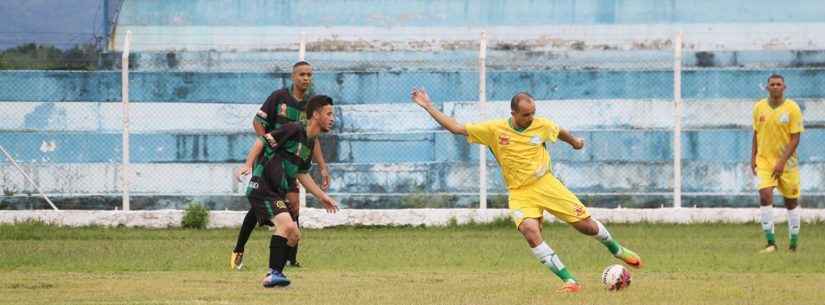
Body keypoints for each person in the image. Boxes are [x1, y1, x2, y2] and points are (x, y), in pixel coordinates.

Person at [411, 88, 642, 293]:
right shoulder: (494, 129)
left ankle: (616, 248)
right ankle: (570, 281)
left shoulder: (541, 125)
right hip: (520, 192)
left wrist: (575, 142)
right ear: (513, 114)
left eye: (533, 113)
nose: (531, 118)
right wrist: (428, 106)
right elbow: (456, 128)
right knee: (530, 231)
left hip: (547, 184)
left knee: (586, 226)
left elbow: (559, 131)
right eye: (526, 115)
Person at [231, 61, 331, 270]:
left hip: (292, 165)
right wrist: (267, 148)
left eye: (309, 75)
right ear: (293, 77)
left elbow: (312, 139)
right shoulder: (279, 97)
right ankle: (239, 248)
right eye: (302, 74)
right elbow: (258, 122)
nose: (306, 78)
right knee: (260, 209)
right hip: (271, 163)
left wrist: (322, 166)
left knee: (293, 205)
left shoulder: (312, 107)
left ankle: (288, 259)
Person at [242, 94, 338, 287]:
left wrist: (322, 197)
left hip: (275, 191)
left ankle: (276, 275)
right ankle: (272, 274)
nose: (332, 118)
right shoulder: (294, 129)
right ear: (316, 115)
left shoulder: (310, 142)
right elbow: (263, 140)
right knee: (286, 226)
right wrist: (248, 164)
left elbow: (302, 174)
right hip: (262, 185)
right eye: (328, 114)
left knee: (294, 235)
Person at [751, 74, 804, 253]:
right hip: (764, 160)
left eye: (778, 84)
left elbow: (795, 138)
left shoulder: (792, 108)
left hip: (787, 163)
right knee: (765, 195)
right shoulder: (759, 107)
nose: (775, 87)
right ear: (767, 88)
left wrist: (782, 161)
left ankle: (793, 244)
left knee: (791, 202)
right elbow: (756, 134)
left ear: (784, 87)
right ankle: (771, 243)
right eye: (772, 84)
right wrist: (753, 157)